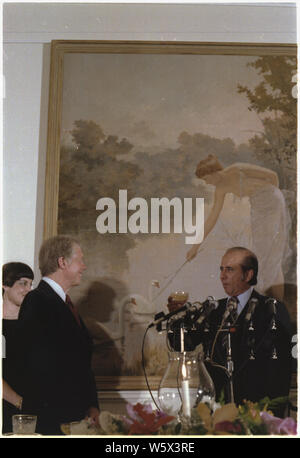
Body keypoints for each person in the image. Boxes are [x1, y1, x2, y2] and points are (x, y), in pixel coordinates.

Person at [169, 247, 293, 415]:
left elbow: (280, 368)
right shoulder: (212, 310)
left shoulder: (271, 309)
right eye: (221, 269)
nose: (222, 275)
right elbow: (183, 344)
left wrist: (271, 413)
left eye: (230, 269)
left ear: (248, 275)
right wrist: (177, 318)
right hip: (217, 412)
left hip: (256, 412)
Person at [17, 236, 100, 435]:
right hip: (53, 422)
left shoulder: (63, 304)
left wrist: (91, 405)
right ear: (62, 262)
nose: (84, 266)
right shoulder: (37, 301)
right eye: (80, 260)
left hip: (74, 418)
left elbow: (80, 362)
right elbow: (39, 366)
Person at [186, 154, 289, 301]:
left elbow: (272, 176)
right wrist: (194, 247)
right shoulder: (220, 189)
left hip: (271, 201)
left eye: (207, 179)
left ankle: (277, 307)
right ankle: (275, 305)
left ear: (214, 173)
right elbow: (212, 218)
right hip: (257, 208)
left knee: (269, 256)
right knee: (266, 256)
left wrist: (273, 197)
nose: (207, 183)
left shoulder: (236, 169)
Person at [2, 262, 34, 434]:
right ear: (5, 284)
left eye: (31, 284)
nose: (28, 289)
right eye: (23, 283)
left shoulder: (34, 325)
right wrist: (20, 402)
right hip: (7, 409)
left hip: (33, 410)